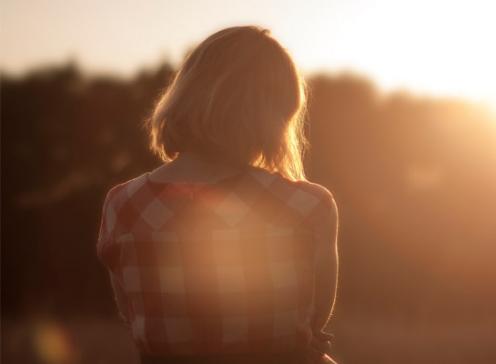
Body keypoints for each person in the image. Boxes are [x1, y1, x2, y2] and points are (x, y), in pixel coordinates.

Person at [96, 26, 339, 364]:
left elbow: (133, 317)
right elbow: (313, 322)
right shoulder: (307, 205)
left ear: (185, 94)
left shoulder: (123, 204)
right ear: (276, 113)